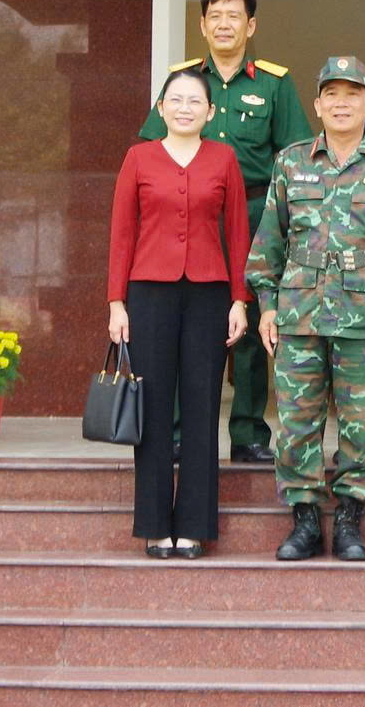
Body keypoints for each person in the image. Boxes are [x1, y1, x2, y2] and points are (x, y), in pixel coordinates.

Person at [245, 56, 365, 563]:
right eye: (332, 95)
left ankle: (348, 516)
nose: (342, 104)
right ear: (318, 104)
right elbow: (270, 239)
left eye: (352, 94)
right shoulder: (291, 162)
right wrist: (267, 305)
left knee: (362, 423)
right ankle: (304, 518)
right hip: (299, 314)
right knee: (297, 421)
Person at [137, 0, 313, 464]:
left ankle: (248, 433)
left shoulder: (274, 83)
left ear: (250, 26)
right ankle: (177, 433)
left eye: (234, 16)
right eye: (214, 15)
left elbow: (294, 159)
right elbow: (150, 152)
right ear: (202, 24)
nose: (224, 24)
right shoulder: (183, 82)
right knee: (180, 326)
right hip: (189, 218)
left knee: (251, 327)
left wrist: (286, 227)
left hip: (254, 218)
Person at [107, 67, 252, 557]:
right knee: (151, 407)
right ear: (161, 108)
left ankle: (193, 524)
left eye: (195, 101)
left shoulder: (224, 158)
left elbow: (237, 232)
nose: (185, 108)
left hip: (209, 294)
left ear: (210, 112)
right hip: (148, 293)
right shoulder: (139, 158)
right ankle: (153, 523)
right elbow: (122, 232)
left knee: (202, 405)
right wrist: (116, 303)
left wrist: (239, 299)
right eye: (176, 99)